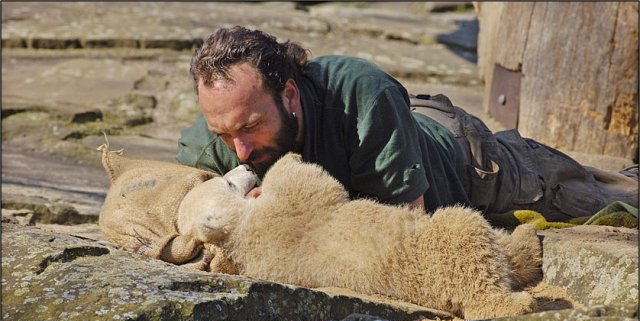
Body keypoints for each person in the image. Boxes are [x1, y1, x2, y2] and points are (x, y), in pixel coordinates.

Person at [176, 26, 638, 221]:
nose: (237, 150)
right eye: (223, 134)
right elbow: (172, 211)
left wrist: (277, 214)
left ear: (290, 95)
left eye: (250, 127)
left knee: (605, 198)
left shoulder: (361, 93)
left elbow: (404, 229)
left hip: (475, 164)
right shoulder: (215, 136)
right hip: (404, 131)